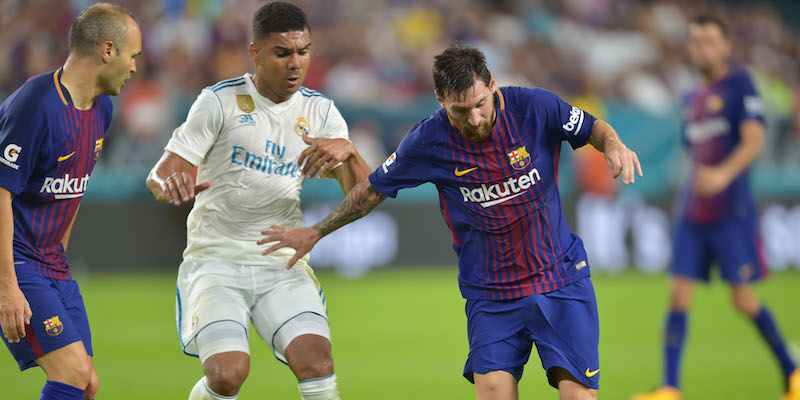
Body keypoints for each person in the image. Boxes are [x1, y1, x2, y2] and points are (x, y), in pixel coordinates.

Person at [260, 44, 643, 400]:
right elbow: (371, 190)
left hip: (559, 278)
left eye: (481, 104)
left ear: (492, 85)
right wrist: (315, 231)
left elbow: (593, 127)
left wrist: (613, 145)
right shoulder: (428, 140)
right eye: (461, 111)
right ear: (441, 101)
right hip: (491, 295)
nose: (475, 118)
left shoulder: (535, 107)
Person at [145, 3, 369, 400]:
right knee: (228, 375)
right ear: (255, 53)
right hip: (216, 259)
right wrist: (171, 185)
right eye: (282, 53)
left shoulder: (321, 111)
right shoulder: (219, 102)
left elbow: (365, 196)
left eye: (303, 51)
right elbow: (159, 175)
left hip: (279, 259)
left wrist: (349, 152)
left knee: (316, 362)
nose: (295, 63)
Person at [633, 15, 799, 400]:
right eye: (696, 42)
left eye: (710, 41)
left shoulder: (740, 84)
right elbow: (693, 152)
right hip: (693, 211)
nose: (702, 49)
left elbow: (753, 140)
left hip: (730, 211)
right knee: (678, 294)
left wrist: (723, 175)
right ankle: (670, 387)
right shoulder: (691, 97)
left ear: (725, 46)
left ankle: (792, 373)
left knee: (743, 299)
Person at [0, 4, 140, 400]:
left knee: (87, 384)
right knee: (73, 374)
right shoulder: (36, 103)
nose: (134, 68)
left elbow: (73, 188)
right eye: (133, 56)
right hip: (14, 259)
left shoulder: (102, 110)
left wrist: (59, 259)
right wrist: (7, 285)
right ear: (108, 51)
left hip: (51, 264)